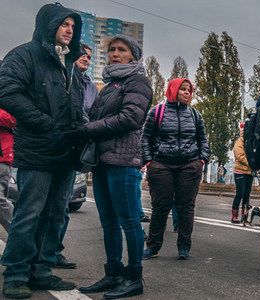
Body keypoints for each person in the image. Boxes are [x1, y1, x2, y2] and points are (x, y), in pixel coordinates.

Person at [0, 4, 86, 298]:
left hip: (65, 151)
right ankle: (15, 274)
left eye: (73, 26)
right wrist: (44, 122)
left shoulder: (71, 62)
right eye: (64, 24)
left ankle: (41, 270)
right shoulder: (24, 55)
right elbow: (7, 92)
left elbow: (76, 104)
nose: (69, 30)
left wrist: (82, 131)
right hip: (37, 149)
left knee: (56, 214)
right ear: (48, 25)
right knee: (29, 213)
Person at [64, 34, 151, 298]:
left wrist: (86, 130)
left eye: (121, 49)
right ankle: (113, 273)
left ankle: (134, 277)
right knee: (109, 222)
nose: (115, 53)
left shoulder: (138, 81)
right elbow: (94, 115)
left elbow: (130, 118)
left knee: (129, 222)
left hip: (123, 161)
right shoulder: (111, 85)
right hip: (102, 161)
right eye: (112, 49)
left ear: (132, 56)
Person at [141, 77, 209, 261]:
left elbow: (203, 139)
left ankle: (184, 247)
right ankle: (153, 247)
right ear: (173, 90)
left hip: (189, 165)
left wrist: (201, 160)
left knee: (186, 207)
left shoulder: (195, 114)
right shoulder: (157, 111)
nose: (187, 93)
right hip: (161, 165)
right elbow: (145, 138)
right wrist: (149, 161)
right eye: (183, 89)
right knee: (160, 207)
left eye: (189, 90)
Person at [53, 43, 98, 271]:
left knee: (62, 205)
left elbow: (93, 114)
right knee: (39, 206)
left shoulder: (91, 86)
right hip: (51, 147)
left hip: (74, 150)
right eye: (82, 54)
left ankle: (54, 251)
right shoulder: (60, 75)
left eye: (89, 57)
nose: (86, 59)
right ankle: (32, 253)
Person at [231, 122, 253, 224]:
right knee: (239, 193)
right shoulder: (239, 142)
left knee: (247, 194)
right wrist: (252, 163)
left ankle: (245, 215)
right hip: (240, 171)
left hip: (249, 172)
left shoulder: (250, 142)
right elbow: (240, 156)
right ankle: (234, 216)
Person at [0, 108, 14, 233]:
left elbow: (12, 120)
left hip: (2, 159)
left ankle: (20, 237)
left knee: (0, 201)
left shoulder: (6, 95)